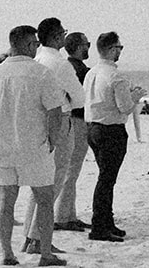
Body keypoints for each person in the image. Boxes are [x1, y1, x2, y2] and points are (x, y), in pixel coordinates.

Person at [0, 24, 68, 267]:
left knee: (6, 201)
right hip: (33, 146)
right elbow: (55, 111)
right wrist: (52, 140)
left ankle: (7, 253)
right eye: (35, 44)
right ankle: (45, 254)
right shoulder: (41, 73)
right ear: (28, 45)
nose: (37, 48)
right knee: (44, 200)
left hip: (1, 147)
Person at [22, 17, 83, 258]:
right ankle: (38, 237)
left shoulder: (35, 59)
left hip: (37, 121)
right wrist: (67, 99)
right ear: (57, 37)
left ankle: (30, 235)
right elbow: (78, 97)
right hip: (60, 121)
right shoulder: (59, 63)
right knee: (55, 179)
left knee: (38, 181)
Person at [83, 31, 140, 243]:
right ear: (110, 49)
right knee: (107, 179)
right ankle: (100, 225)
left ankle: (106, 220)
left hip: (93, 128)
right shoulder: (116, 76)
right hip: (110, 130)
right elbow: (125, 107)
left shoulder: (92, 73)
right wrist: (135, 96)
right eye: (119, 48)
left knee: (106, 177)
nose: (120, 52)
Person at [54, 32, 92, 232]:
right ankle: (62, 215)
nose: (88, 47)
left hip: (73, 120)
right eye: (87, 44)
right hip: (77, 120)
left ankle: (69, 213)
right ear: (79, 47)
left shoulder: (71, 67)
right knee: (72, 169)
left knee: (71, 170)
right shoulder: (79, 70)